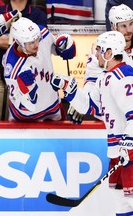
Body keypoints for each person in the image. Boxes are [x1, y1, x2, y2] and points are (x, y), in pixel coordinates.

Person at [51, 31, 133, 215]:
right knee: (121, 203)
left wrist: (129, 143)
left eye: (99, 49)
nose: (95, 54)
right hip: (117, 152)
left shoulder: (124, 75)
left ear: (110, 52)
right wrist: (69, 89)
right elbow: (92, 107)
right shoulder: (105, 78)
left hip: (129, 151)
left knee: (131, 201)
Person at [67, 3, 133, 125]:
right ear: (113, 27)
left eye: (131, 24)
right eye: (123, 26)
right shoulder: (101, 47)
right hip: (113, 118)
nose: (129, 30)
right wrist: (80, 102)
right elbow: (92, 82)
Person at [3, 17, 76, 121]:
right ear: (19, 42)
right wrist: (30, 96)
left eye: (37, 40)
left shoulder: (42, 34)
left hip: (53, 108)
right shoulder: (12, 66)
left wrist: (65, 46)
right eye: (31, 42)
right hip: (27, 118)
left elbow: (55, 48)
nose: (36, 45)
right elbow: (21, 105)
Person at [0, 0, 47, 121]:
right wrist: (24, 42)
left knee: (25, 111)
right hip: (1, 72)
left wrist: (9, 40)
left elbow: (39, 43)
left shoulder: (38, 15)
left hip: (32, 75)